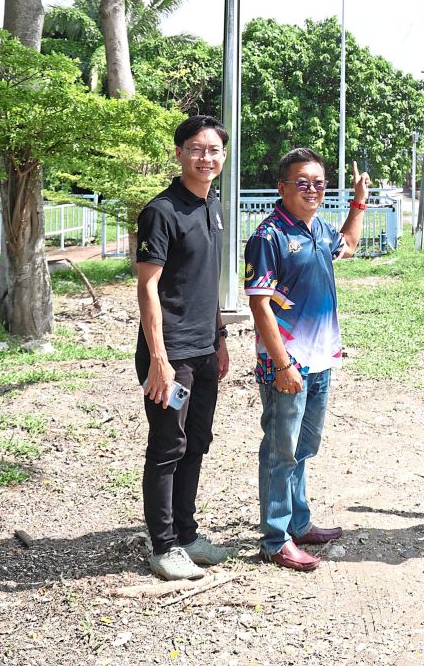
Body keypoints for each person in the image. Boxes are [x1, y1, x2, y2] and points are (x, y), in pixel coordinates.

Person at [244, 150, 371, 572]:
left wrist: (358, 202)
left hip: (320, 360)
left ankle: (299, 522)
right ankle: (275, 539)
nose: (312, 189)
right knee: (281, 450)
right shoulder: (269, 236)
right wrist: (282, 365)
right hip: (287, 362)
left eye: (318, 182)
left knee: (304, 447)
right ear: (282, 188)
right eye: (302, 182)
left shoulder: (317, 228)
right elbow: (259, 305)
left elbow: (349, 246)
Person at [135, 115, 231, 581]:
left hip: (203, 352)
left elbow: (206, 283)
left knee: (197, 440)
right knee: (168, 444)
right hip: (170, 357)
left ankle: (188, 534)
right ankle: (163, 545)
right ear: (179, 153)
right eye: (196, 149)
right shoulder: (162, 211)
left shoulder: (212, 206)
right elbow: (147, 288)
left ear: (223, 157)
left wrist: (220, 339)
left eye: (213, 150)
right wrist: (159, 361)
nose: (205, 157)